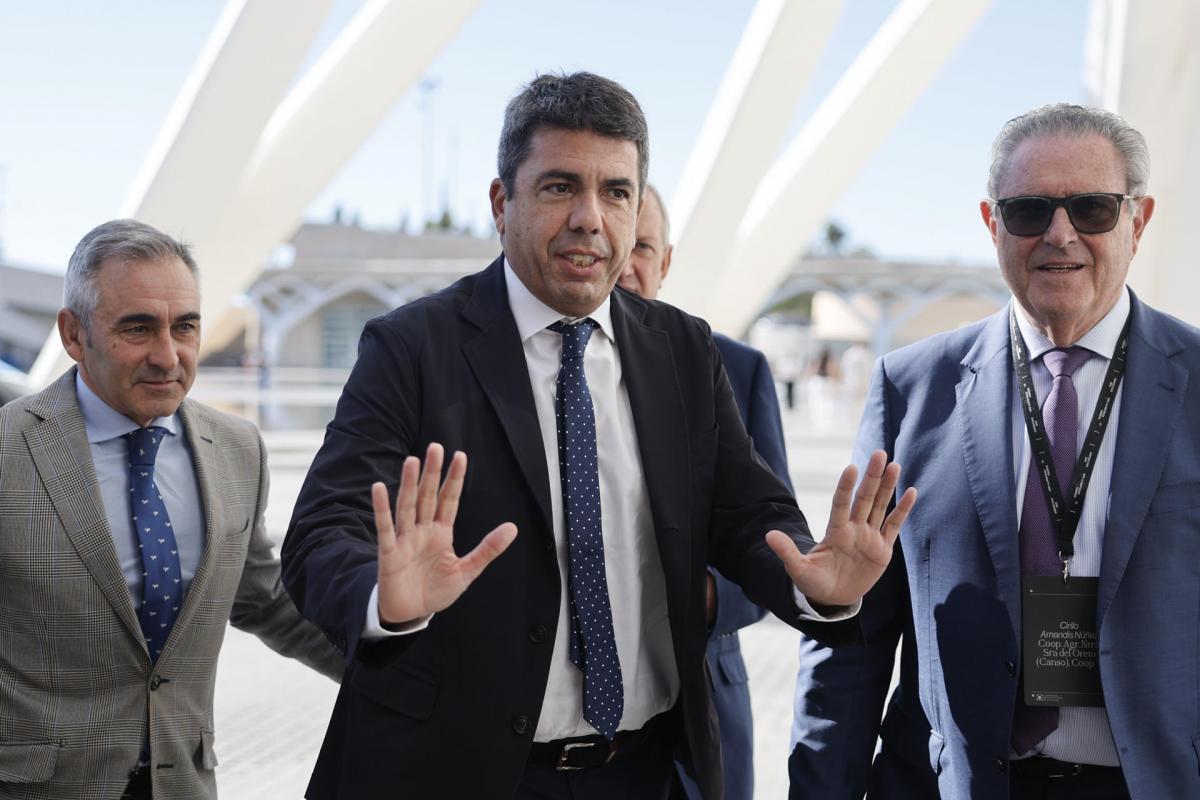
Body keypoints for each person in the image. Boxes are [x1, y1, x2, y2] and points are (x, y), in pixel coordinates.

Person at [281, 71, 915, 800]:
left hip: (644, 773)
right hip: (454, 772)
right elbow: (322, 533)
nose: (590, 218)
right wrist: (386, 600)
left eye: (616, 192)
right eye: (559, 187)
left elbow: (748, 516)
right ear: (501, 204)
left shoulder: (684, 349)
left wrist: (814, 585)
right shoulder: (412, 347)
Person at [789, 103, 1200, 800]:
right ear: (992, 223)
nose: (1060, 233)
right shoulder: (910, 389)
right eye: (1030, 210)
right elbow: (854, 641)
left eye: (1092, 208)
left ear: (1139, 220)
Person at [0, 219, 343, 800]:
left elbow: (266, 601)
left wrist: (409, 663)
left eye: (185, 326)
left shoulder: (237, 449)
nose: (168, 355)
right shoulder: (9, 450)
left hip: (183, 784)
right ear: (73, 335)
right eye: (137, 328)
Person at [619, 183, 789, 800]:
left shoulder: (735, 368)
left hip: (703, 717)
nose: (625, 264)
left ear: (665, 262)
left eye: (642, 247)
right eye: (615, 244)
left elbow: (772, 540)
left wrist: (707, 595)